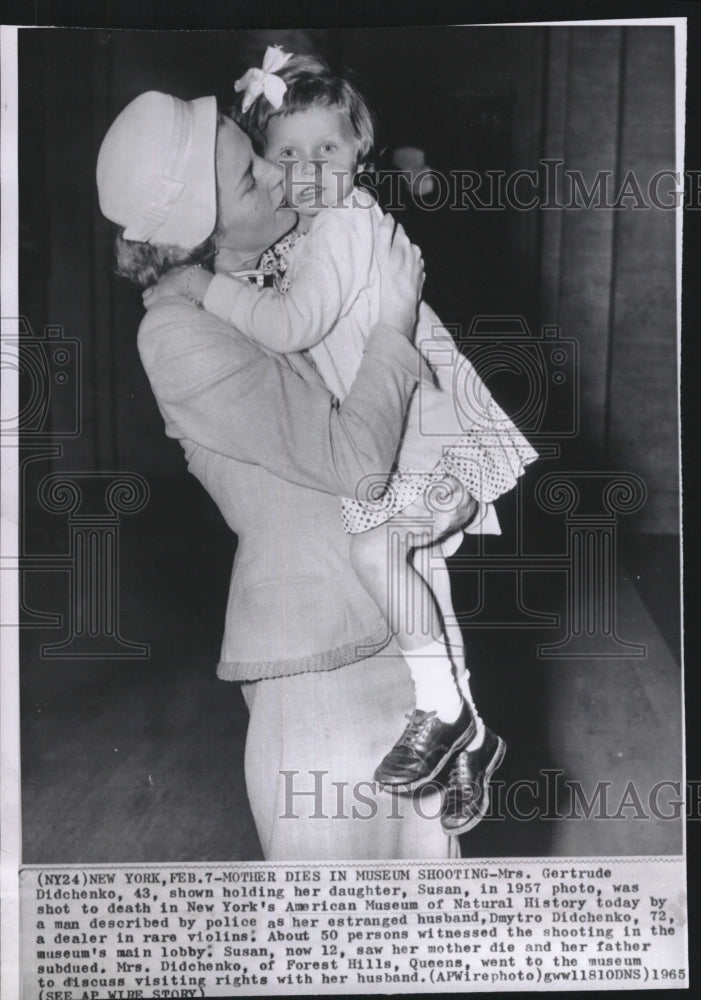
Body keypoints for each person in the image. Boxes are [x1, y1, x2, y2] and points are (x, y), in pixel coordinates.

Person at [144, 49, 537, 834]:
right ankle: (462, 725)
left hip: (420, 436)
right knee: (412, 572)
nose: (289, 175)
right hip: (316, 610)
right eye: (269, 163)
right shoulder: (186, 330)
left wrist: (205, 285)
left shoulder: (335, 230)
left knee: (393, 562)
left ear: (359, 145)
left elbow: (299, 327)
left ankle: (451, 717)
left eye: (321, 152)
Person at [96, 89, 475, 859]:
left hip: (403, 628)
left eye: (259, 156)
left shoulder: (294, 258)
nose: (278, 178)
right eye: (249, 178)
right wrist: (392, 325)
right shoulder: (175, 332)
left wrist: (453, 479)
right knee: (334, 933)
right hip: (314, 659)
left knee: (433, 925)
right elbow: (352, 463)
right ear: (193, 229)